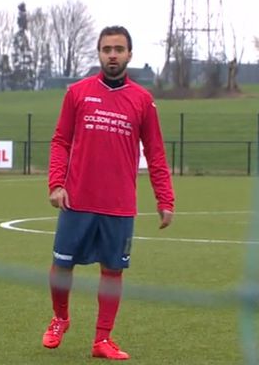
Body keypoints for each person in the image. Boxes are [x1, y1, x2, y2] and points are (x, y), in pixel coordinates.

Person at [42, 25, 175, 360]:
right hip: (77, 200)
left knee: (112, 271)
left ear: (130, 54)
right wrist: (56, 183)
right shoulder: (77, 93)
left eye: (119, 49)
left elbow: (155, 152)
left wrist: (165, 198)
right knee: (62, 266)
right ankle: (60, 319)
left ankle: (102, 339)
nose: (112, 55)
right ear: (99, 53)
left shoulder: (143, 100)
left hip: (118, 205)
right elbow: (60, 141)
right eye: (106, 49)